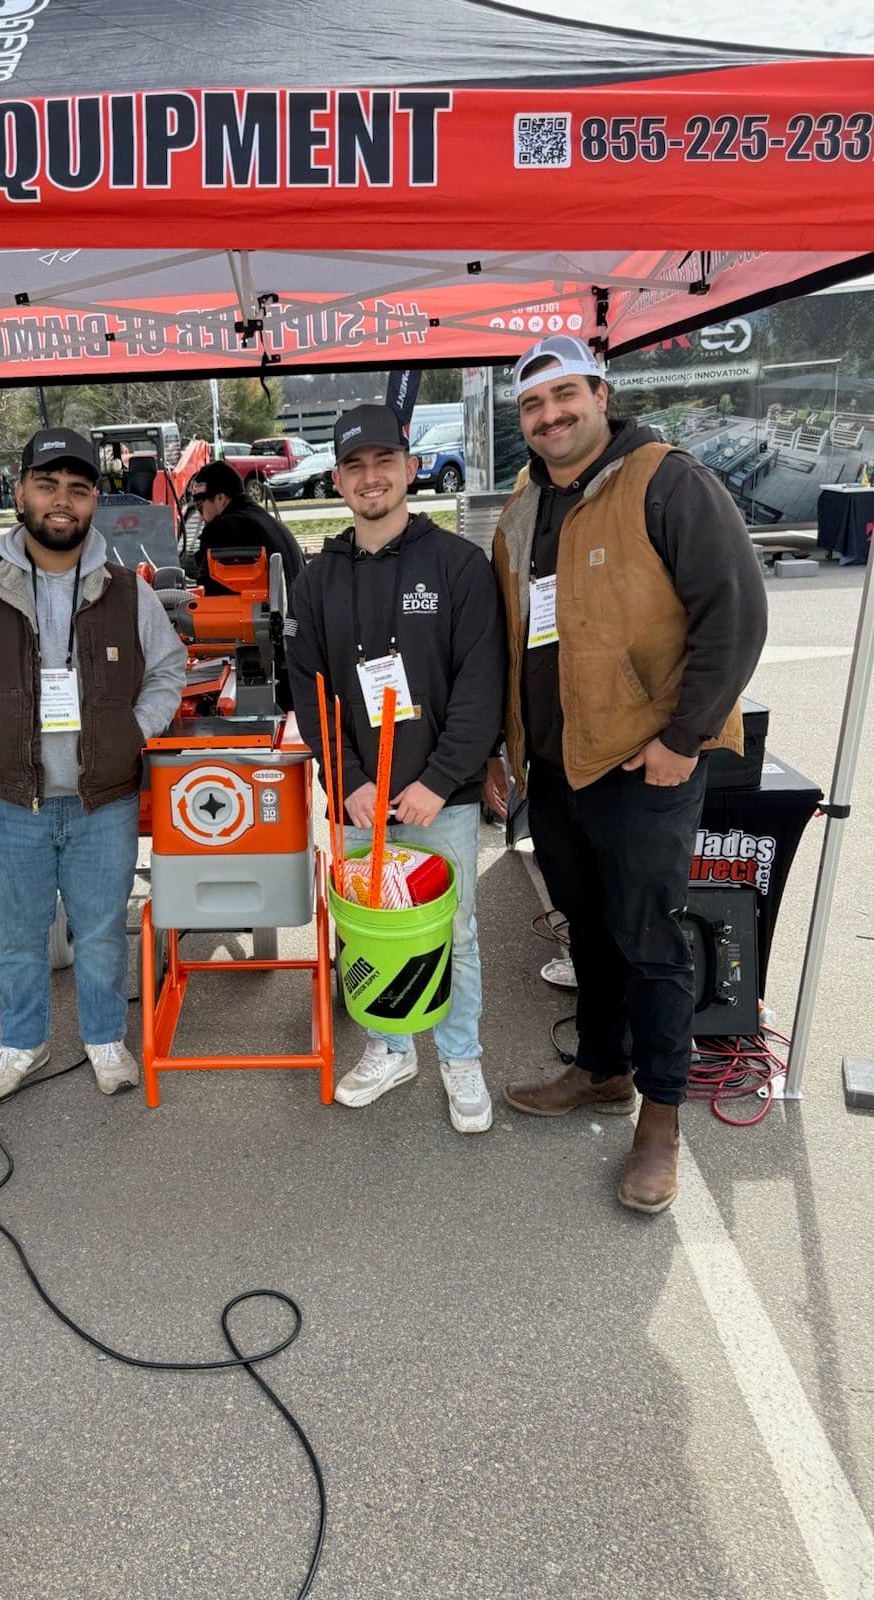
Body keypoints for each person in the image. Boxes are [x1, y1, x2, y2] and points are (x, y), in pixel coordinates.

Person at [486, 334, 768, 1214]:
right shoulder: (525, 504)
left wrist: (683, 737)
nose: (549, 416)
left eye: (563, 395)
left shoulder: (666, 479)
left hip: (643, 760)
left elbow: (737, 614)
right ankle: (603, 1068)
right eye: (532, 405)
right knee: (589, 928)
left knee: (652, 940)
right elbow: (514, 639)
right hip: (554, 762)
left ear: (601, 392)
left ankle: (662, 1116)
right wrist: (506, 749)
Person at [0, 426, 185, 1105]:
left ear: (93, 500)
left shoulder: (127, 590)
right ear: (22, 489)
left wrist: (135, 729)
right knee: (22, 933)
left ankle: (102, 1039)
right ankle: (21, 1042)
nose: (61, 502)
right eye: (47, 485)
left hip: (103, 801)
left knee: (99, 931)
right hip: (8, 799)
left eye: (78, 489)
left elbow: (170, 667)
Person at [287, 404, 505, 1133]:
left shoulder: (458, 565)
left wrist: (439, 778)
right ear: (339, 480)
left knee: (454, 934)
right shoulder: (317, 580)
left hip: (440, 798)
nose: (370, 477)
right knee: (373, 930)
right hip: (360, 803)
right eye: (354, 465)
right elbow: (310, 691)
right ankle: (390, 1045)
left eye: (384, 461)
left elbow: (482, 683)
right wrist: (348, 779)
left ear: (411, 468)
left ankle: (460, 1054)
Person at [189, 460, 306, 596]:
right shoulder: (270, 523)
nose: (200, 518)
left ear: (220, 498)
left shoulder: (222, 529)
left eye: (199, 507)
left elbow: (210, 596)